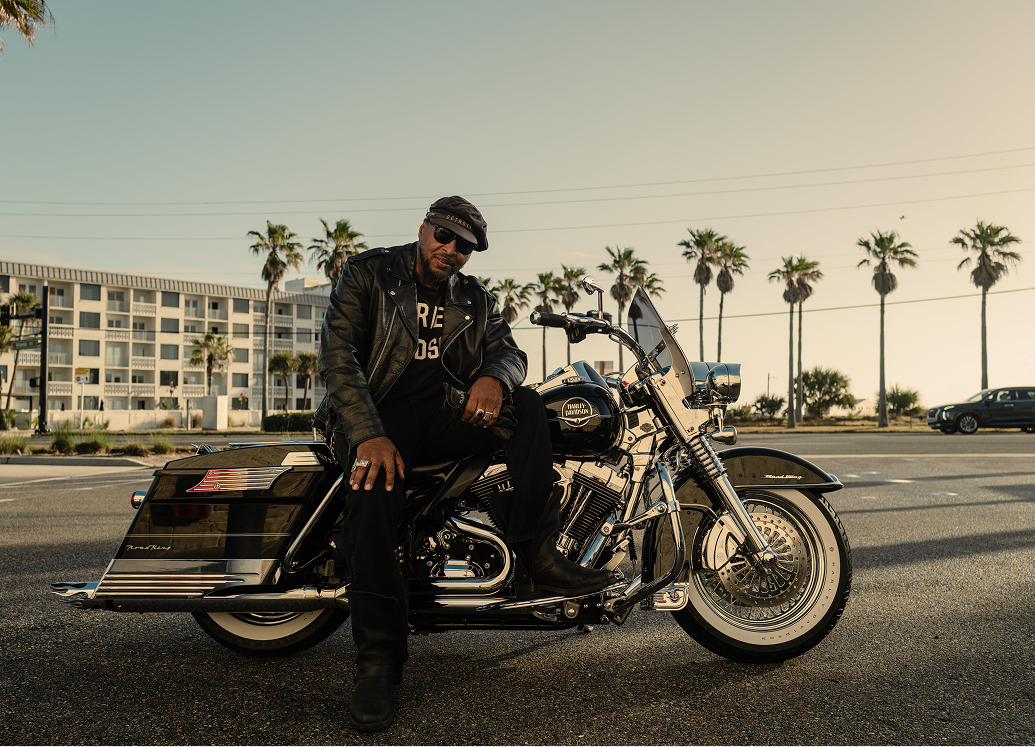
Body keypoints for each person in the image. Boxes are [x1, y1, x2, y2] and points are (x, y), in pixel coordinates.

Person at [315, 196, 612, 732]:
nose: (450, 250)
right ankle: (379, 661)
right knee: (374, 496)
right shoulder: (368, 274)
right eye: (444, 236)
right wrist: (366, 435)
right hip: (371, 414)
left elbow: (512, 353)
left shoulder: (472, 297)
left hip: (438, 413)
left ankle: (537, 552)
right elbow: (338, 361)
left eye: (464, 246)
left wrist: (494, 377)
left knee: (528, 407)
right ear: (424, 228)